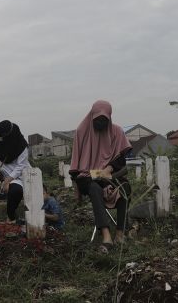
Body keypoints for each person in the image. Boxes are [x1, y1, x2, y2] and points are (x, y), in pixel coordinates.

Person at [69, 100, 132, 252]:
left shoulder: (116, 131)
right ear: (92, 116)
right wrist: (77, 190)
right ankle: (106, 235)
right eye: (98, 119)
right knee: (94, 188)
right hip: (86, 177)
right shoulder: (81, 131)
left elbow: (121, 158)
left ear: (109, 118)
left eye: (104, 120)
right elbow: (76, 165)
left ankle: (119, 233)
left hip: (108, 175)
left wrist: (108, 168)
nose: (101, 123)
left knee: (124, 187)